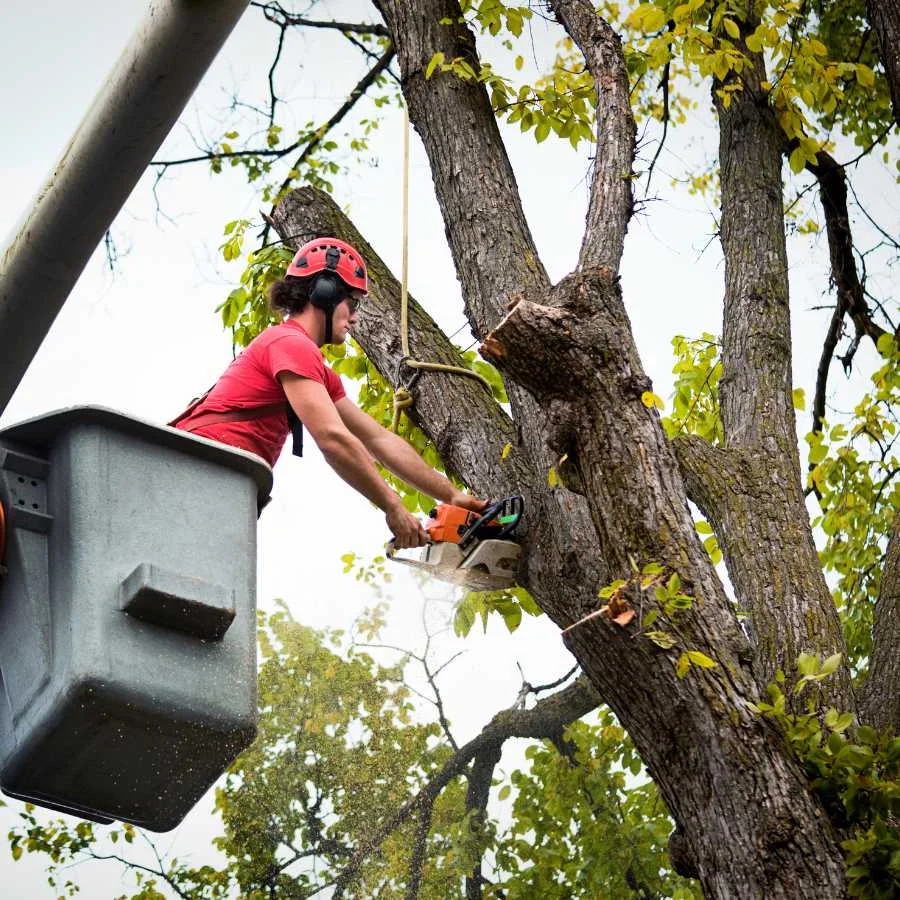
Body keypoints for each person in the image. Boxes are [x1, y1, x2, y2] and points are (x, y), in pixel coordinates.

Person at [173, 236, 486, 547]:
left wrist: (451, 495)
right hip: (193, 473)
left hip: (217, 481)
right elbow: (333, 439)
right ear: (324, 293)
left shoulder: (314, 370)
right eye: (352, 303)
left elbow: (379, 439)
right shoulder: (290, 344)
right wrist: (392, 506)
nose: (354, 317)